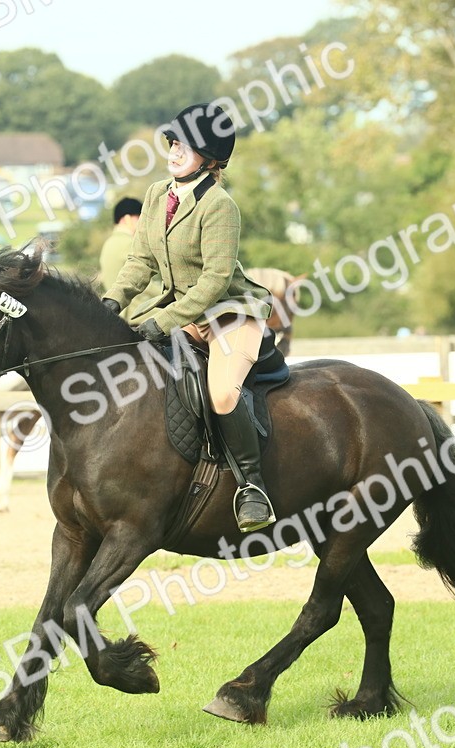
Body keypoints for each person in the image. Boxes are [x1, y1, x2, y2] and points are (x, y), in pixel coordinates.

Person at [101, 102, 276, 532]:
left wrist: (164, 321)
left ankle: (252, 487)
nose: (175, 150)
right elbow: (140, 261)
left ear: (210, 158)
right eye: (173, 142)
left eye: (187, 145)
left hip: (229, 314)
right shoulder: (156, 194)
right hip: (179, 311)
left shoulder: (220, 206)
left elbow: (215, 280)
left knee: (222, 394)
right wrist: (111, 303)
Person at [98, 197, 142, 292]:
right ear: (127, 219)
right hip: (136, 301)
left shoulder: (108, 243)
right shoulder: (129, 243)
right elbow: (141, 281)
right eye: (139, 218)